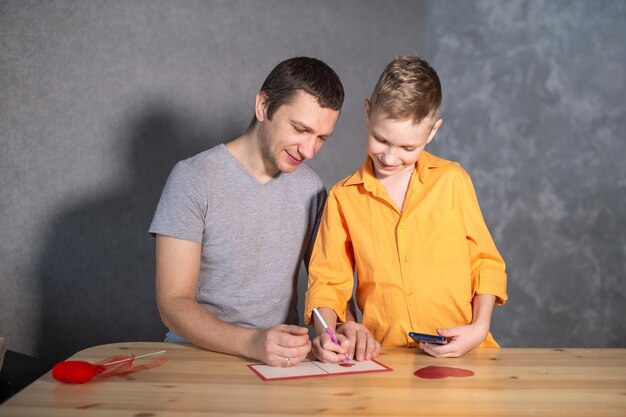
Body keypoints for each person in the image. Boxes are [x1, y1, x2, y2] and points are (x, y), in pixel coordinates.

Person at [305, 56, 508, 362]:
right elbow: (328, 282)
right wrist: (328, 334)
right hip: (385, 359)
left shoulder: (452, 180)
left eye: (408, 148)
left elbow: (486, 263)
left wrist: (480, 328)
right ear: (368, 113)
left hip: (466, 355)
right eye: (380, 139)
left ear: (432, 132)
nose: (389, 157)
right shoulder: (343, 198)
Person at [149, 57, 344, 367]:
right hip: (195, 359)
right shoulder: (193, 178)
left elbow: (327, 285)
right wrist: (252, 342)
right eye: (300, 129)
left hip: (280, 362)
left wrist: (338, 332)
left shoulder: (312, 189)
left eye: (321, 138)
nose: (308, 151)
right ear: (263, 106)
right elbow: (172, 302)